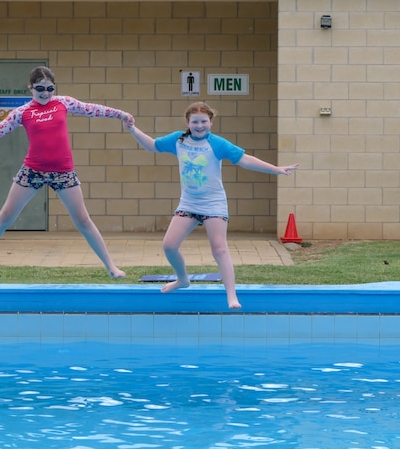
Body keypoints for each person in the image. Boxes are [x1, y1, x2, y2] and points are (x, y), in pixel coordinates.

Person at [0, 66, 133, 278]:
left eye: (50, 88)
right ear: (30, 87)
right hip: (33, 170)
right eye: (40, 88)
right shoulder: (22, 113)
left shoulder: (63, 102)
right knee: (6, 215)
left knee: (83, 220)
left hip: (63, 171)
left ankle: (111, 267)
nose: (45, 93)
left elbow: (92, 109)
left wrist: (121, 114)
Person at [125, 102, 298, 309]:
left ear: (211, 122)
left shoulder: (217, 143)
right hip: (189, 203)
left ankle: (232, 295)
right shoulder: (178, 140)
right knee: (169, 245)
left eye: (204, 121)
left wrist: (276, 169)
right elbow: (152, 145)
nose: (200, 126)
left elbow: (245, 160)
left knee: (219, 249)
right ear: (188, 123)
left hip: (213, 204)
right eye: (195, 121)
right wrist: (132, 129)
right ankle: (182, 279)